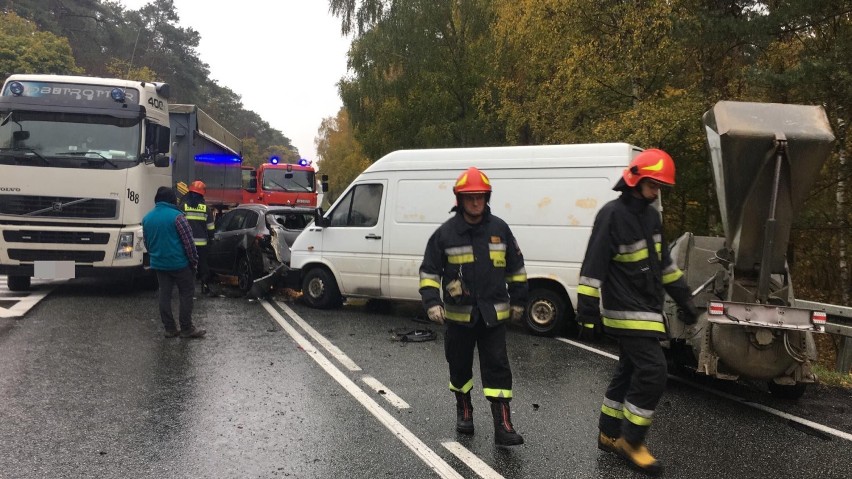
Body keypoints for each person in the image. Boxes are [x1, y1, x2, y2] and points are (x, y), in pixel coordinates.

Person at [576, 149, 698, 475]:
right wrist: (586, 310)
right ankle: (631, 441)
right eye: (653, 184)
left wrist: (684, 298)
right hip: (625, 310)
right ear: (636, 179)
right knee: (654, 372)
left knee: (628, 370)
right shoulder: (611, 215)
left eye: (660, 186)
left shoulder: (651, 217)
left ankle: (608, 433)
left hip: (647, 308)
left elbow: (664, 266)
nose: (657, 191)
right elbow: (593, 265)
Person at [419, 167, 528, 446]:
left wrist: (519, 302)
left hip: (492, 317)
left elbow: (516, 269)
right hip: (459, 318)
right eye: (470, 197)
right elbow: (429, 272)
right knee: (459, 367)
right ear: (460, 199)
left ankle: (503, 426)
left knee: (498, 370)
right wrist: (432, 302)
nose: (476, 202)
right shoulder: (445, 234)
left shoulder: (500, 230)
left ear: (487, 197)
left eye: (480, 196)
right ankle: (464, 411)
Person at [142, 186, 206, 339]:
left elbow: (147, 243)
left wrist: (156, 256)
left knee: (164, 295)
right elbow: (188, 243)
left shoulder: (147, 218)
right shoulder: (178, 217)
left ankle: (170, 329)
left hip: (159, 264)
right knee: (186, 294)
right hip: (179, 264)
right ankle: (186, 328)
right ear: (172, 199)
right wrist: (194, 262)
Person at [179, 180, 215, 295]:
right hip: (202, 245)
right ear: (202, 194)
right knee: (203, 265)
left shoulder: (183, 206)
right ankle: (204, 285)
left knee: (187, 266)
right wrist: (212, 239)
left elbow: (178, 223)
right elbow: (210, 228)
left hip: (186, 244)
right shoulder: (206, 209)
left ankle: (187, 288)